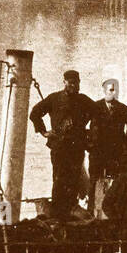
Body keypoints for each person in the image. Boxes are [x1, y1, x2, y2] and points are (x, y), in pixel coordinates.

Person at [29, 69, 94, 219]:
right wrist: (44, 132)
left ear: (79, 83)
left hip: (77, 146)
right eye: (70, 83)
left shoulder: (83, 100)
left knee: (74, 177)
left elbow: (97, 113)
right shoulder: (54, 98)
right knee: (59, 178)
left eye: (76, 83)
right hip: (59, 146)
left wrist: (89, 131)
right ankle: (58, 210)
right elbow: (35, 113)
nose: (73, 86)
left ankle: (71, 206)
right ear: (64, 82)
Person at [90, 78, 127, 216]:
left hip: (116, 153)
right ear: (104, 91)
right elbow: (81, 125)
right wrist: (89, 144)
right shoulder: (95, 107)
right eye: (111, 89)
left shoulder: (122, 108)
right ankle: (92, 214)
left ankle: (115, 215)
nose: (114, 92)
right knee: (94, 182)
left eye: (116, 90)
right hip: (98, 153)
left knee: (118, 183)